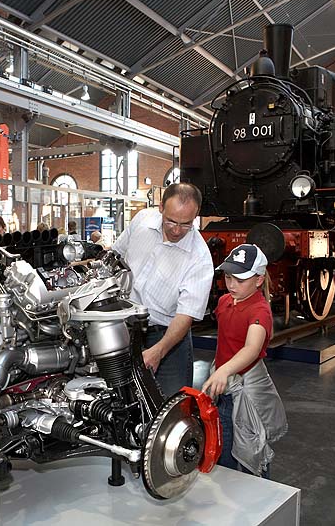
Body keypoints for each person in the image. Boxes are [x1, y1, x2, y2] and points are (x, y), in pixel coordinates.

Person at [112, 182, 213, 397]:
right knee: (119, 398)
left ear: (196, 216)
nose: (177, 230)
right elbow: (115, 257)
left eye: (186, 224)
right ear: (160, 208)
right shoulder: (142, 220)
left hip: (166, 336)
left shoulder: (200, 258)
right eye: (171, 221)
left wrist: (159, 351)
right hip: (123, 327)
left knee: (170, 406)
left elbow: (185, 316)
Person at [201, 244, 287, 477]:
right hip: (224, 387)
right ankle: (229, 489)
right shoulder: (224, 302)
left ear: (259, 280)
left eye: (239, 280)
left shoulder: (260, 311)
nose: (231, 285)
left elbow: (251, 349)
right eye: (228, 278)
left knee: (251, 447)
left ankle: (260, 497)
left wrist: (223, 371)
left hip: (246, 389)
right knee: (223, 444)